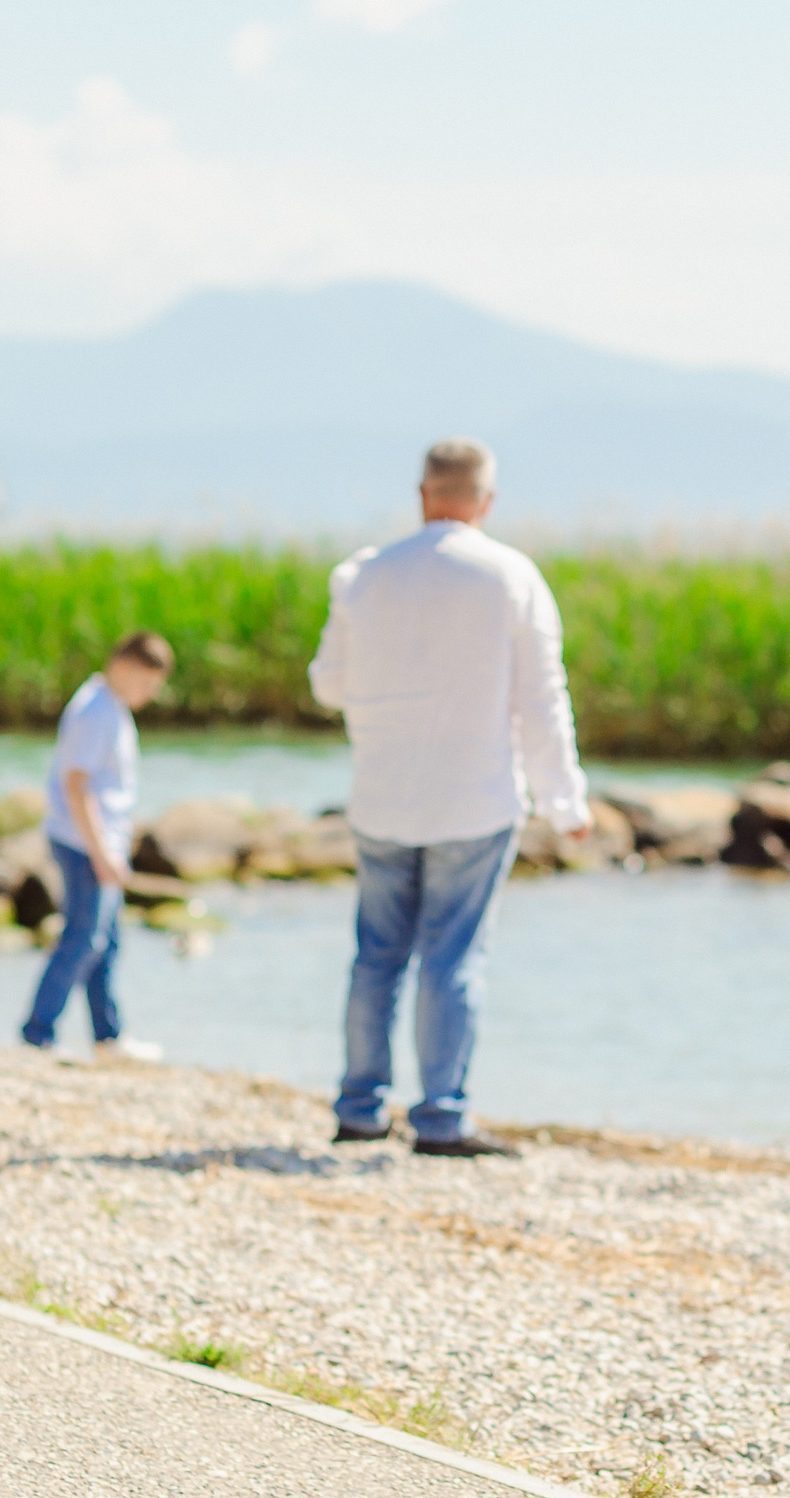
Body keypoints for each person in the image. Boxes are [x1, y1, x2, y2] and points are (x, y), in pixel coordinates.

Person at [308, 437, 591, 1158]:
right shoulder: (510, 575)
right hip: (475, 799)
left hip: (379, 796)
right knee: (452, 958)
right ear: (486, 503)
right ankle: (439, 1119)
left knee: (376, 956)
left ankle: (360, 1110)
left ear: (422, 495)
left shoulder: (364, 576)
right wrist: (566, 801)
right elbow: (541, 697)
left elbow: (327, 686)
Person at [21, 631, 173, 1061]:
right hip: (83, 843)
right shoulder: (95, 711)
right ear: (123, 667)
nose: (151, 694)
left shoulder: (110, 707)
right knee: (82, 939)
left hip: (97, 841)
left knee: (105, 941)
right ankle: (38, 1032)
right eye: (148, 683)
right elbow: (76, 784)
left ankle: (108, 1037)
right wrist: (102, 853)